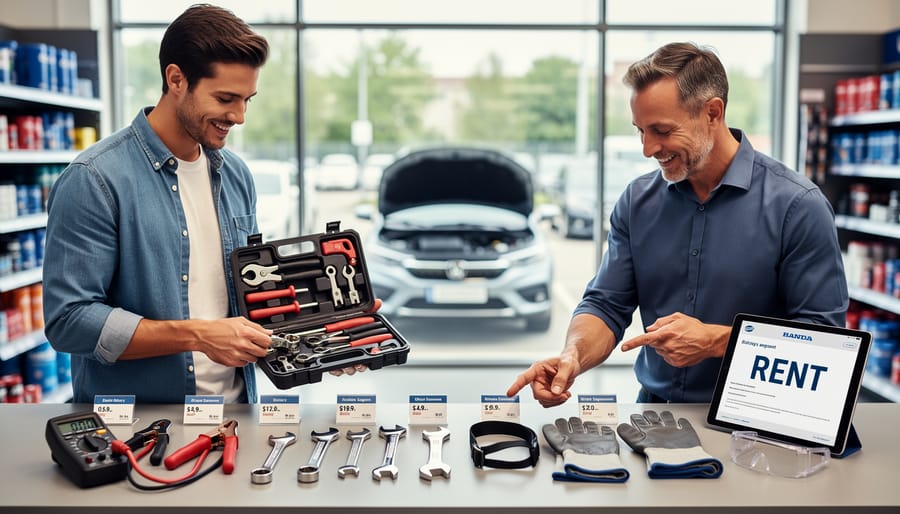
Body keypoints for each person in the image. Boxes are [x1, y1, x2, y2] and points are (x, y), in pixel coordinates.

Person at [507, 42, 848, 406]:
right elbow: (606, 305)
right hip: (653, 416)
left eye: (662, 130)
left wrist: (718, 341)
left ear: (713, 113)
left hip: (756, 424)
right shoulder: (637, 202)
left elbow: (823, 342)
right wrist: (573, 356)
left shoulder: (797, 207)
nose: (648, 148)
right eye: (641, 130)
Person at [43, 4, 277, 404]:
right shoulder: (95, 178)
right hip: (139, 427)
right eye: (225, 98)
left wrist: (325, 327)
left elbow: (243, 293)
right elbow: (69, 320)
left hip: (238, 414)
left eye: (248, 100)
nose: (238, 116)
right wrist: (198, 335)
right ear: (176, 79)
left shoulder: (235, 175)